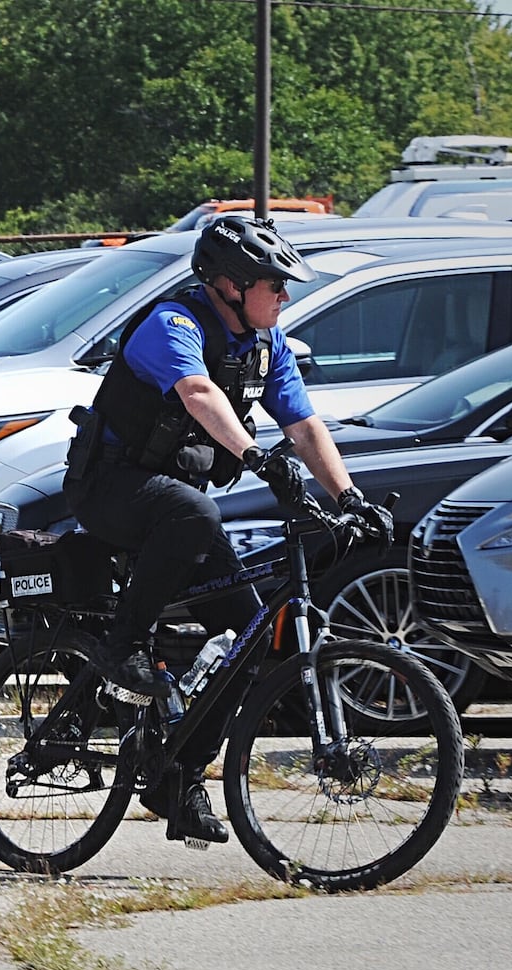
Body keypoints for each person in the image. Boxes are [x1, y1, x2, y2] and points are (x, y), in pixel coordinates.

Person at [64, 215, 393, 845]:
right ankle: (122, 645)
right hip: (109, 487)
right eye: (276, 285)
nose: (286, 297)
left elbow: (304, 426)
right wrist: (256, 459)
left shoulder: (266, 345)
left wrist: (350, 497)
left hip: (176, 503)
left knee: (248, 636)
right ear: (231, 285)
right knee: (195, 511)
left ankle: (178, 780)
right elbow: (196, 392)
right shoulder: (174, 325)